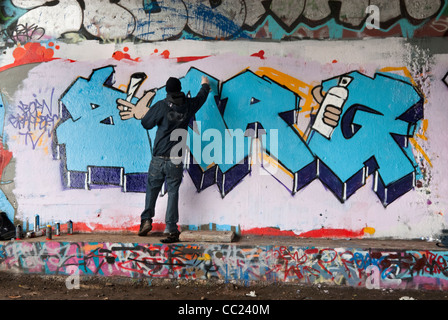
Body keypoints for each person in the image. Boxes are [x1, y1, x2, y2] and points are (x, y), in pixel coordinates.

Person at [117, 75, 210, 243]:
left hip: (159, 157)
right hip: (176, 159)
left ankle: (146, 221)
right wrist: (205, 84)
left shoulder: (161, 106)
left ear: (167, 90)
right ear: (180, 88)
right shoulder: (188, 105)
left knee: (152, 189)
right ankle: (171, 228)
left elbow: (146, 123)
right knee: (173, 192)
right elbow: (201, 98)